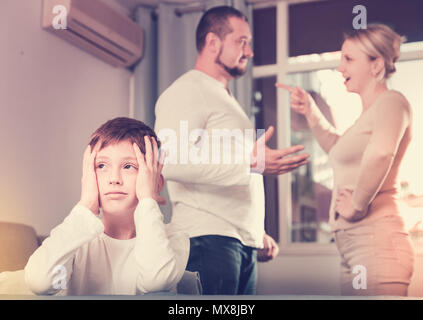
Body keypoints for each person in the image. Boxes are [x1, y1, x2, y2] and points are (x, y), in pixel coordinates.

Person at [154, 6, 309, 295]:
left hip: (237, 242)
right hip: (207, 239)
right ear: (213, 42)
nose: (249, 51)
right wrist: (251, 165)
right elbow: (169, 162)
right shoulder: (187, 90)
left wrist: (255, 233)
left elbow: (238, 169)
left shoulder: (225, 98)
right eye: (241, 41)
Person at [277, 24, 414, 296]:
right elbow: (336, 148)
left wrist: (357, 205)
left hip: (377, 242)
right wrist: (311, 112)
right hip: (353, 248)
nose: (341, 68)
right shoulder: (366, 117)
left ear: (376, 65)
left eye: (349, 59)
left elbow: (381, 153)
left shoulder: (392, 102)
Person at [24, 117, 189, 295]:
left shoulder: (174, 238)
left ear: (156, 182)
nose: (114, 179)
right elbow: (39, 281)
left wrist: (147, 200)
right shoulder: (75, 239)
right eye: (101, 166)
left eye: (128, 166)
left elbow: (157, 281)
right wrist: (86, 205)